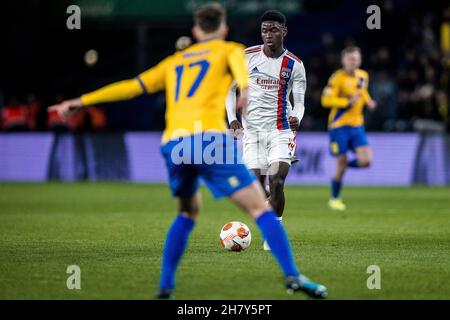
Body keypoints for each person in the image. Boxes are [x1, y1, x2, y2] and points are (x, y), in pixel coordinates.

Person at [48, 2, 327, 299]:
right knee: (259, 206)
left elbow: (130, 86)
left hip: (175, 143)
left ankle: (165, 287)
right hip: (207, 139)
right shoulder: (232, 50)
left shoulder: (175, 61)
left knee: (187, 212)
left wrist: (80, 101)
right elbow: (240, 79)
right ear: (223, 29)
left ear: (195, 31)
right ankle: (293, 276)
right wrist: (244, 92)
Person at [226, 10, 305, 251]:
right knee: (257, 188)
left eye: (273, 30)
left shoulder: (295, 65)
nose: (268, 35)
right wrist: (232, 119)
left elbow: (300, 101)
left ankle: (274, 232)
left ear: (284, 31)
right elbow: (229, 91)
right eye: (264, 30)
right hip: (252, 133)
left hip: (280, 130)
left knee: (277, 180)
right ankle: (268, 199)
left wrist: (297, 117)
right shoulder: (246, 57)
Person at [321, 46, 377, 211]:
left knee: (366, 161)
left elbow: (362, 92)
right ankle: (335, 198)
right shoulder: (337, 78)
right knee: (341, 164)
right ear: (343, 61)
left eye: (356, 59)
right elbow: (325, 100)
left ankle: (344, 165)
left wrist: (368, 102)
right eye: (350, 59)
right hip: (339, 127)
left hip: (357, 125)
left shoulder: (363, 75)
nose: (354, 62)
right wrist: (346, 102)